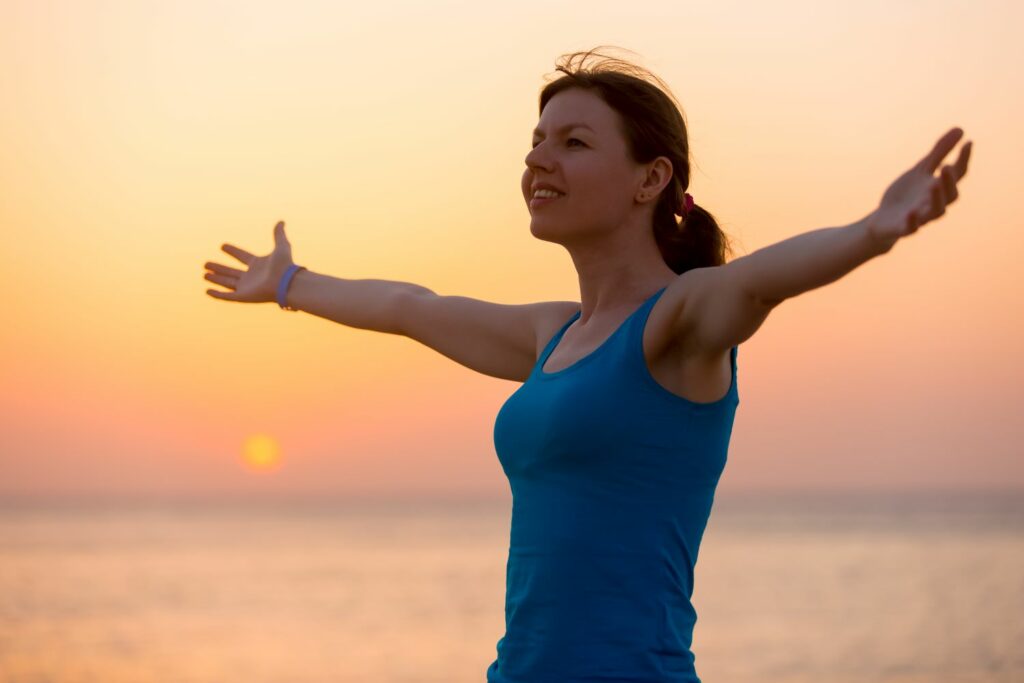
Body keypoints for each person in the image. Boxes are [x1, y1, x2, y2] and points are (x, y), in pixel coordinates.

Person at [203, 46, 971, 683]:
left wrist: (873, 231)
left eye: (573, 142)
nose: (540, 158)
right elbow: (411, 305)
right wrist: (291, 285)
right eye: (536, 141)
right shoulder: (551, 334)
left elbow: (755, 280)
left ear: (651, 179)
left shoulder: (678, 323)